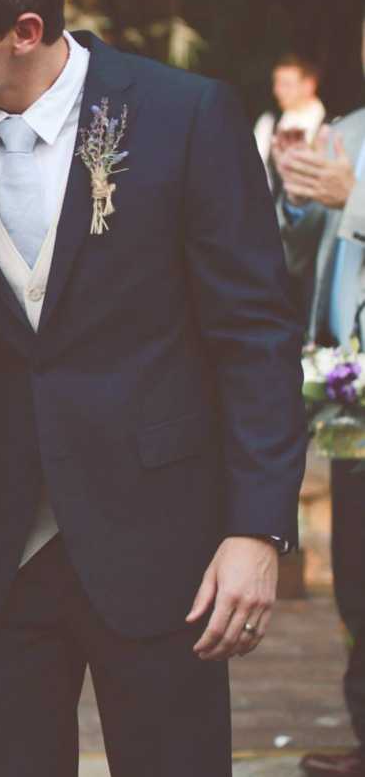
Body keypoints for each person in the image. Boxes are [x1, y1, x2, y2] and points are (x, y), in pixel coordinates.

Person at [0, 0, 306, 777]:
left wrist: (258, 530)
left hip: (163, 549)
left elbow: (255, 334)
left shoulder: (183, 115)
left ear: (24, 30)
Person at [274, 107, 365, 777]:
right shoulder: (349, 130)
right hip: (348, 391)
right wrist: (297, 200)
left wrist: (354, 197)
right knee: (357, 577)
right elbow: (300, 253)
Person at [253, 54, 326, 195]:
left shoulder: (333, 126)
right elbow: (256, 174)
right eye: (276, 83)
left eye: (286, 84)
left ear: (309, 85)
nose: (277, 91)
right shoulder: (268, 123)